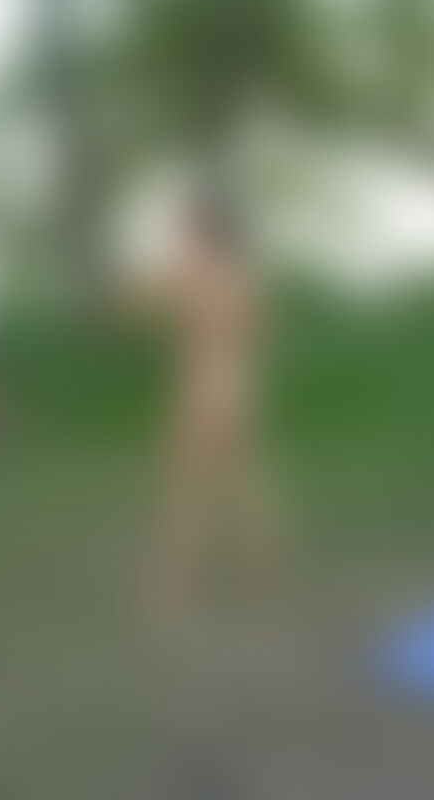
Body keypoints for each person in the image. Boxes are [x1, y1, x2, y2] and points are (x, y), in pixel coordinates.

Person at [147, 187, 281, 626]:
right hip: (241, 385)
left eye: (188, 226)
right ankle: (263, 577)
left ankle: (174, 590)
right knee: (245, 487)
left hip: (203, 387)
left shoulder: (192, 272)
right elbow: (259, 329)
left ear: (206, 230)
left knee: (187, 494)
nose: (180, 232)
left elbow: (150, 309)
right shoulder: (243, 275)